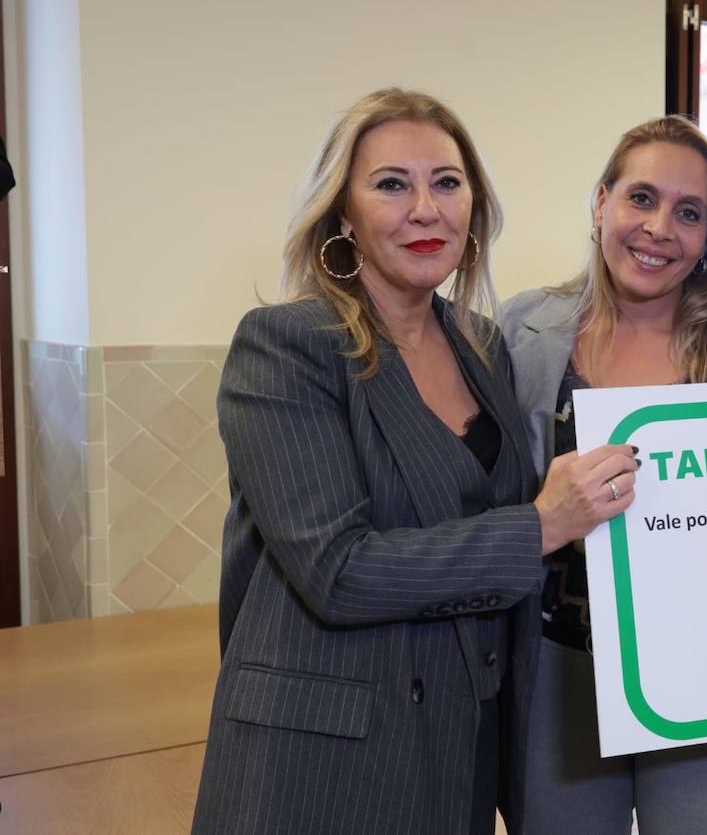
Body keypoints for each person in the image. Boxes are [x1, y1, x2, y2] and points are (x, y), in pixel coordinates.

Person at [191, 88, 637, 835]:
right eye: (392, 184)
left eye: (447, 183)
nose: (425, 209)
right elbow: (338, 570)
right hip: (320, 756)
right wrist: (539, 526)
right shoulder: (286, 345)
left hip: (456, 749)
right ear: (343, 214)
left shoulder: (484, 346)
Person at [499, 116, 707, 835]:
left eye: (689, 213)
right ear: (601, 203)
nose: (661, 228)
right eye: (641, 199)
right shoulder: (520, 330)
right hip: (556, 673)